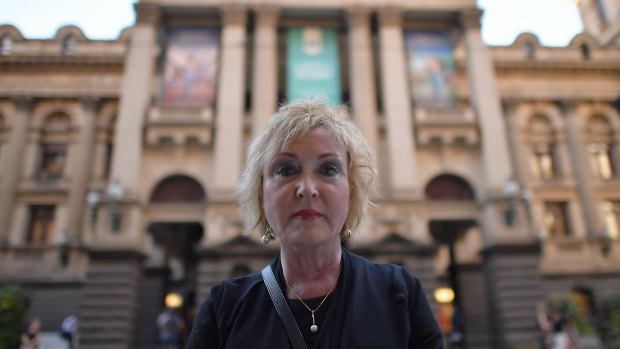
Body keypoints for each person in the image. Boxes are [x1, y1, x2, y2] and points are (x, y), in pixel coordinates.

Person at [186, 98, 444, 348]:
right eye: (286, 170)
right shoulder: (225, 306)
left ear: (351, 192)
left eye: (328, 169)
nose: (307, 189)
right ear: (261, 194)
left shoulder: (401, 293)